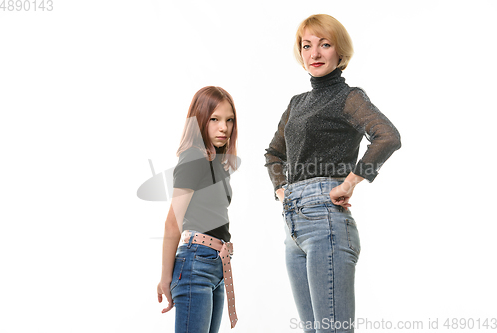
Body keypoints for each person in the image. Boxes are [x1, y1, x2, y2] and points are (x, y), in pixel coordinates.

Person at [264, 14, 401, 332]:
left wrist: (351, 182)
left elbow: (388, 136)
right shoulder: (297, 104)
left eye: (324, 44)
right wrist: (282, 191)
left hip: (326, 219)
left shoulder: (349, 97)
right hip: (292, 227)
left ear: (340, 53)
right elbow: (273, 154)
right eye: (307, 45)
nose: (314, 53)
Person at [157, 86, 239, 332]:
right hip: (195, 264)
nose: (223, 127)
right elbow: (173, 222)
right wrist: (165, 278)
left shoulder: (216, 164)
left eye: (229, 120)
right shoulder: (193, 157)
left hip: (216, 265)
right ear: (200, 119)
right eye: (214, 119)